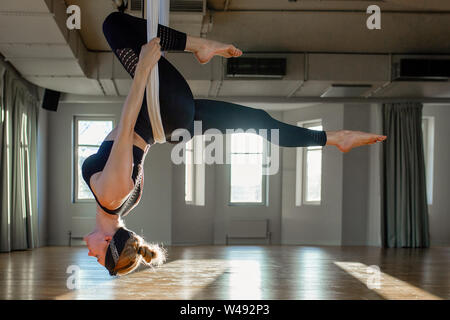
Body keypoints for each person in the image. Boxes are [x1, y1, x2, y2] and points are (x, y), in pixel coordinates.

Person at [82, 11, 387, 276]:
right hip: (161, 111)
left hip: (165, 125)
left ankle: (334, 139)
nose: (88, 254)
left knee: (254, 120)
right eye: (96, 257)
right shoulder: (111, 196)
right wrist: (145, 69)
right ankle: (202, 46)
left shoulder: (119, 207)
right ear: (108, 242)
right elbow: (125, 127)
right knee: (113, 25)